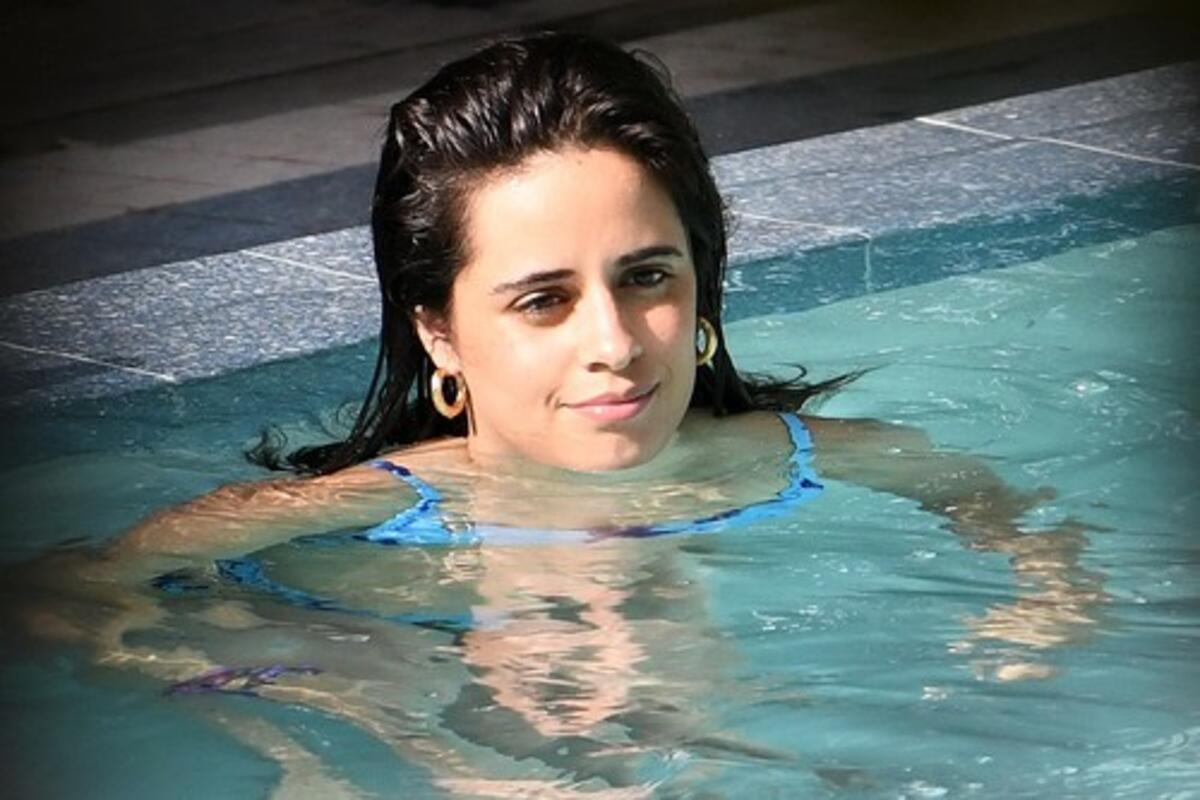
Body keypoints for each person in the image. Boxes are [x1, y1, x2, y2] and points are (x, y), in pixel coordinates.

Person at [6, 31, 1107, 793]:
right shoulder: (390, 504)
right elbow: (60, 589)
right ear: (439, 331)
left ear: (704, 286)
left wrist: (1041, 604)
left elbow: (998, 506)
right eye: (543, 299)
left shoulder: (794, 456)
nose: (615, 343)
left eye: (648, 277)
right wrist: (317, 707)